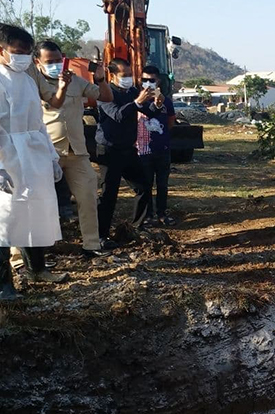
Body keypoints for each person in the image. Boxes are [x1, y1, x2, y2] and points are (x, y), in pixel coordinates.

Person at [0, 24, 68, 300]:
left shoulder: (27, 81)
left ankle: (37, 269)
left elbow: (39, 124)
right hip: (7, 156)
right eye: (18, 52)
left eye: (27, 53)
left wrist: (51, 157)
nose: (24, 58)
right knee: (4, 219)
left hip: (32, 154)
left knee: (33, 212)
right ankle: (3, 284)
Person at [34, 40, 113, 257]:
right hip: (47, 152)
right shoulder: (33, 83)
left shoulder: (75, 80)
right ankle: (37, 254)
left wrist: (100, 79)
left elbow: (106, 97)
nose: (55, 65)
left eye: (58, 60)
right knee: (39, 202)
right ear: (37, 62)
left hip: (76, 151)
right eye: (49, 61)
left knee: (88, 197)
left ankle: (91, 245)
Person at [96, 58, 153, 245]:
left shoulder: (132, 91)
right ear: (112, 75)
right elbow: (118, 115)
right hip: (109, 150)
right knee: (109, 194)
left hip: (128, 148)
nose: (128, 78)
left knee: (143, 186)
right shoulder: (105, 93)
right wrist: (137, 102)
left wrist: (157, 104)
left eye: (130, 74)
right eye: (124, 75)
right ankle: (101, 235)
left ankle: (137, 226)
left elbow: (149, 110)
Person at [136, 65, 177, 227]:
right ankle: (147, 215)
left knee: (162, 184)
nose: (148, 83)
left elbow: (170, 121)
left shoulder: (166, 102)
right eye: (144, 80)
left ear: (158, 81)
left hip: (162, 150)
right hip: (142, 150)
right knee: (145, 185)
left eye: (151, 80)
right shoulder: (137, 100)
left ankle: (162, 213)